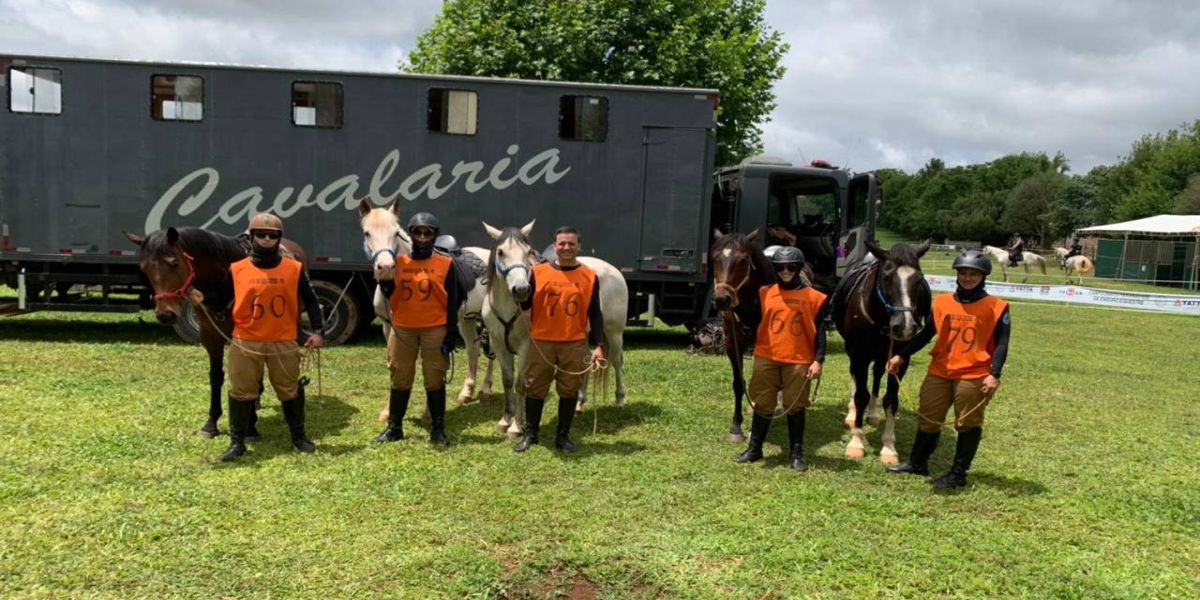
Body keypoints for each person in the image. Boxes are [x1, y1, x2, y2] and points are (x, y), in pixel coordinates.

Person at [192, 213, 325, 462]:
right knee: (242, 391)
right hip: (246, 341)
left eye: (272, 235)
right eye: (261, 235)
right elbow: (221, 300)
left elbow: (311, 301)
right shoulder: (237, 269)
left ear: (278, 239)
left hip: (283, 340)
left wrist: (317, 331)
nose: (266, 239)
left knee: (289, 389)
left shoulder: (294, 268)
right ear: (251, 237)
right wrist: (203, 298)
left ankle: (299, 437)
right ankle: (237, 442)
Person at [884, 249, 1011, 489]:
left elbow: (1002, 344)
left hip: (974, 373)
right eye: (963, 273)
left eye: (973, 274)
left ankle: (958, 473)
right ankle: (918, 463)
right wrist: (901, 354)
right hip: (940, 371)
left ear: (983, 276)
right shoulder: (942, 302)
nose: (967, 278)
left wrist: (994, 374)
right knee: (928, 417)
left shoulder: (997, 307)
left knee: (967, 422)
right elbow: (926, 334)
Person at [374, 212, 464, 447]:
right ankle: (394, 428)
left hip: (434, 329)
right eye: (418, 232)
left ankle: (438, 429)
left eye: (428, 232)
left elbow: (454, 299)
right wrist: (384, 281)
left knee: (435, 378)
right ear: (410, 234)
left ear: (435, 235)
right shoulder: (398, 262)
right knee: (399, 376)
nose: (423, 237)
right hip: (403, 328)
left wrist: (451, 332)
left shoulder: (446, 263)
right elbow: (387, 294)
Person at [735, 246, 827, 471]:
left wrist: (818, 360)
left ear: (798, 268)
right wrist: (734, 309)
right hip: (767, 356)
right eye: (780, 268)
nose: (785, 271)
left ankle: (796, 453)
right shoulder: (765, 292)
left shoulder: (814, 297)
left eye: (790, 267)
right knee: (763, 404)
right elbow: (754, 320)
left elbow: (821, 331)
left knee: (795, 406)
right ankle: (755, 449)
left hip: (798, 359)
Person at [514, 226, 605, 453]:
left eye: (571, 244)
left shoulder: (589, 276)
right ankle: (531, 433)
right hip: (541, 341)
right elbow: (526, 305)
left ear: (579, 246)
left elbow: (595, 312)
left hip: (573, 343)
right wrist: (519, 295)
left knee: (569, 389)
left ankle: (563, 436)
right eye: (562, 244)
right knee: (535, 387)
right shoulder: (538, 272)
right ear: (555, 246)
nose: (566, 248)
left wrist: (599, 345)